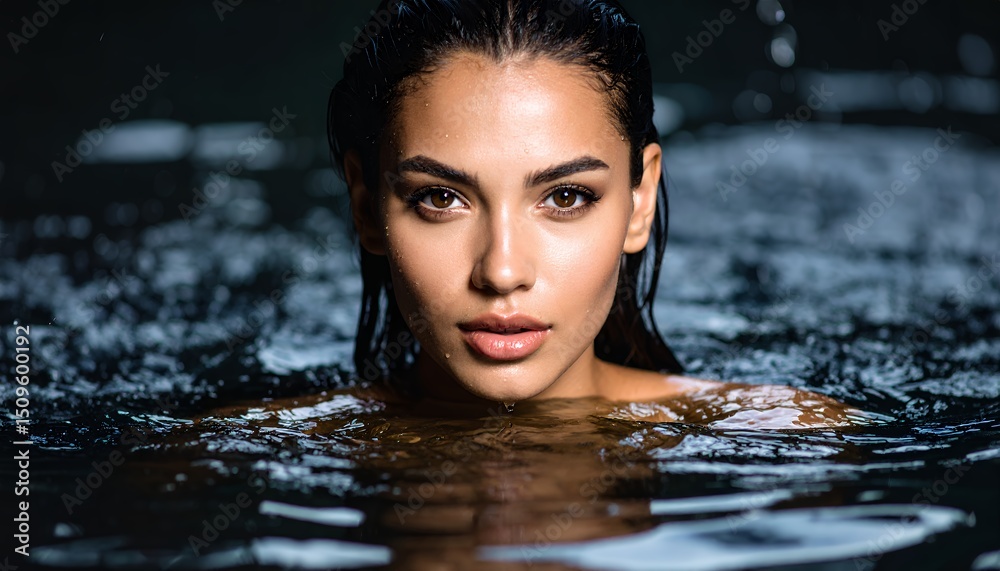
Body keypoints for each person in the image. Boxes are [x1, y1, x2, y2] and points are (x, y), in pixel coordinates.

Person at [328, 0, 866, 427]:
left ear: (641, 202)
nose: (502, 272)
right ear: (366, 207)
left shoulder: (782, 434)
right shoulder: (257, 443)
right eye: (441, 198)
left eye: (566, 197)